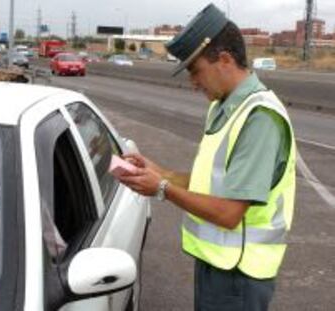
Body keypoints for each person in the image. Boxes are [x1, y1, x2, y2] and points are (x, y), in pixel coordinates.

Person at [118, 3, 296, 311]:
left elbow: (229, 213)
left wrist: (162, 189)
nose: (193, 82)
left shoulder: (259, 118)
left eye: (195, 70)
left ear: (224, 60)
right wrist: (160, 172)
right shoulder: (224, 107)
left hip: (239, 276)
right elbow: (212, 183)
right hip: (218, 266)